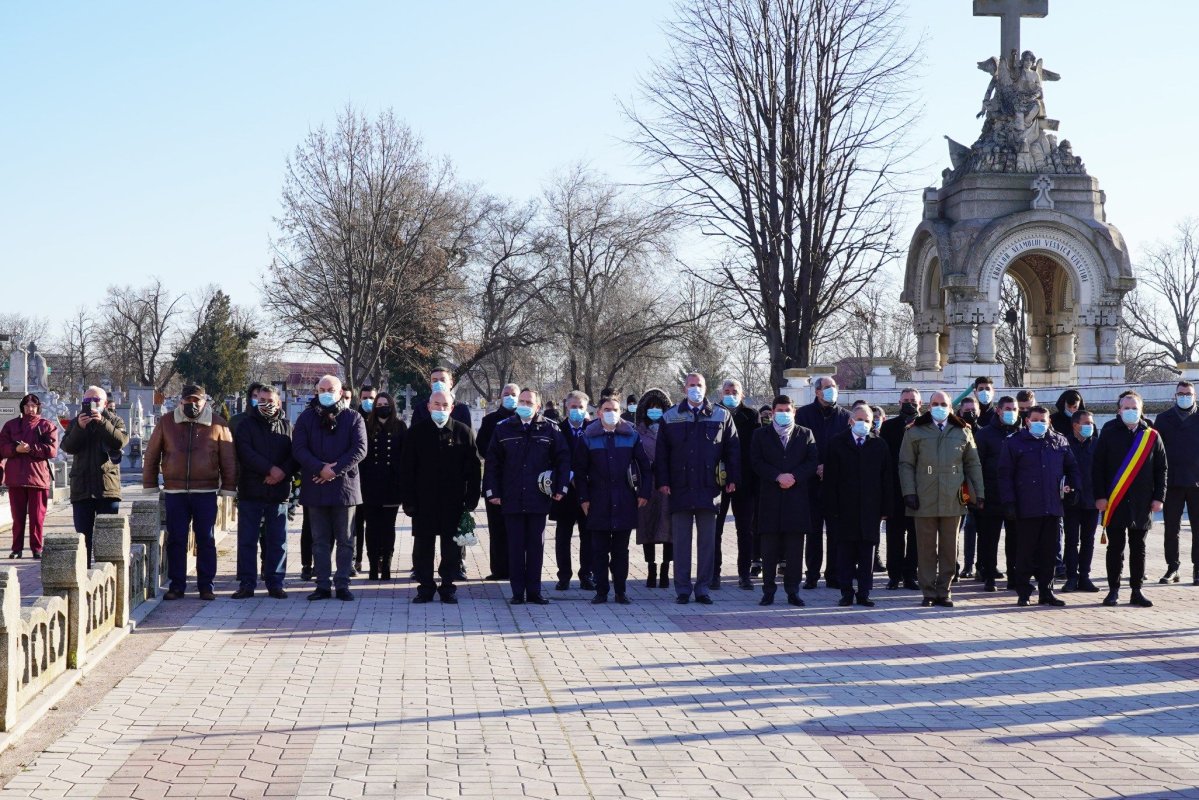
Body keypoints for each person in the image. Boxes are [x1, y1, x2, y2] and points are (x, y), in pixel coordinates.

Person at [142, 384, 236, 600]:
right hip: (175, 491)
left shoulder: (218, 423)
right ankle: (177, 585)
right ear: (181, 402)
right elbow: (152, 453)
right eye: (188, 401)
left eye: (197, 401)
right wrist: (149, 483)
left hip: (206, 490)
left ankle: (206, 585)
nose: (192, 405)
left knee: (206, 538)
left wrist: (229, 487)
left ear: (205, 402)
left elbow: (228, 458)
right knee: (177, 539)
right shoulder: (167, 422)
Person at [655, 372, 740, 605]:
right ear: (684, 389)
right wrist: (662, 481)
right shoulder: (670, 416)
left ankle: (703, 588)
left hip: (709, 489)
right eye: (691, 385)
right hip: (679, 488)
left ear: (706, 387)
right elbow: (661, 454)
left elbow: (732, 450)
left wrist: (733, 478)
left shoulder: (721, 415)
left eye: (699, 385)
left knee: (708, 542)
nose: (696, 389)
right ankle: (682, 589)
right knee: (681, 542)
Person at [484, 389, 571, 605]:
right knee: (514, 547)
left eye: (528, 402)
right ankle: (517, 592)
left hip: (538, 498)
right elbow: (492, 462)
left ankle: (534, 591)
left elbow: (562, 458)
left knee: (535, 548)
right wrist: (492, 492)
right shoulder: (503, 429)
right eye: (521, 401)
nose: (524, 404)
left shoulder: (550, 429)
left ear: (538, 406)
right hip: (511, 497)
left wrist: (561, 487)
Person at [898, 390, 984, 608]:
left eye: (943, 403)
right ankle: (928, 591)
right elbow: (906, 464)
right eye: (935, 403)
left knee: (949, 548)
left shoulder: (963, 430)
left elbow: (973, 464)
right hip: (923, 497)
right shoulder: (915, 430)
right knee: (926, 548)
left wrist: (979, 494)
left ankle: (944, 590)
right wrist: (909, 492)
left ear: (950, 407)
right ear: (929, 406)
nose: (939, 407)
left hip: (952, 498)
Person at [400, 389, 481, 603]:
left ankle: (448, 588)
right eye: (436, 405)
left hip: (453, 502)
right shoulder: (416, 432)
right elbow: (407, 468)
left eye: (445, 405)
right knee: (423, 548)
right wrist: (408, 500)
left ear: (452, 408)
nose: (440, 409)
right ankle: (425, 588)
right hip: (423, 501)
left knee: (451, 549)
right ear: (429, 406)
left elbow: (473, 470)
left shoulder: (463, 432)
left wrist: (472, 498)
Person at [292, 375, 367, 602]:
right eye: (322, 388)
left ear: (339, 391)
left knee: (346, 539)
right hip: (316, 487)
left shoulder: (353, 417)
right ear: (316, 391)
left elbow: (360, 449)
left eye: (330, 389)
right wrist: (319, 468)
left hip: (344, 488)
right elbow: (299, 448)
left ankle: (342, 583)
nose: (326, 392)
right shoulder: (306, 418)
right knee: (320, 540)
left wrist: (334, 471)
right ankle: (322, 584)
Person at [998, 405, 1079, 607]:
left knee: (1049, 553)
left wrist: (1074, 488)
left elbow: (1072, 468)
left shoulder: (1059, 441)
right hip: (1027, 507)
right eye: (1036, 420)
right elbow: (1004, 474)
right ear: (1027, 421)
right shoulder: (1015, 442)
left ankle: (1046, 591)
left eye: (1044, 420)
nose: (1040, 424)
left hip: (1052, 507)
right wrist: (1008, 502)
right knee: (1025, 552)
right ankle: (1024, 592)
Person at [573, 397, 652, 604]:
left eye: (615, 409)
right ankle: (601, 591)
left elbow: (645, 466)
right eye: (607, 409)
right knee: (598, 550)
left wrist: (644, 492)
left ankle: (620, 591)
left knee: (620, 550)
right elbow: (579, 472)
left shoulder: (631, 436)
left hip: (625, 501)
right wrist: (583, 498)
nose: (611, 413)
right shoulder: (587, 438)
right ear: (599, 413)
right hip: (597, 501)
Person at [1094, 391, 1166, 608]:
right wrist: (1100, 496)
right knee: (1115, 547)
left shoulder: (1152, 436)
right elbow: (1097, 468)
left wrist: (1158, 498)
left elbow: (1162, 469)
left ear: (1141, 410)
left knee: (1139, 548)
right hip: (1115, 500)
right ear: (1119, 410)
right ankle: (1113, 591)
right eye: (1126, 407)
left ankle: (1136, 590)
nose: (1131, 411)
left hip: (1142, 501)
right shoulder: (1108, 432)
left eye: (1135, 407)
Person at [823, 404, 892, 607]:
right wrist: (831, 508)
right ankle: (846, 592)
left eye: (867, 421)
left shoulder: (879, 444)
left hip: (871, 509)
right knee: (845, 552)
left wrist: (886, 509)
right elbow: (830, 480)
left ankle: (864, 592)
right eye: (859, 419)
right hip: (844, 509)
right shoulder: (837, 443)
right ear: (851, 420)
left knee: (866, 552)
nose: (863, 424)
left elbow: (887, 479)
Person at [751, 395, 817, 606]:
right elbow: (756, 461)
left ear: (794, 412)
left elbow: (812, 460)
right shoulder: (760, 435)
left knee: (795, 550)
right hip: (770, 499)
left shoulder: (805, 434)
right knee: (768, 549)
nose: (783, 413)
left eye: (787, 410)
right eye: (779, 410)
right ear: (772, 412)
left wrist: (794, 476)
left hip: (796, 500)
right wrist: (777, 476)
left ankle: (793, 591)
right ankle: (768, 590)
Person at [231, 384, 294, 599]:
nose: (266, 404)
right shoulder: (246, 425)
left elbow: (295, 455)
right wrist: (269, 469)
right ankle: (247, 583)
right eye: (262, 400)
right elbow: (245, 453)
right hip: (251, 491)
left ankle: (275, 582)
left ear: (278, 403)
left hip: (278, 492)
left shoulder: (287, 426)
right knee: (247, 540)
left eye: (271, 401)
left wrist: (281, 472)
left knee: (277, 541)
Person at [60, 385, 128, 566]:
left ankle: (109, 572)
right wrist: (80, 428)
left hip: (107, 488)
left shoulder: (115, 421)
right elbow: (67, 447)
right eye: (87, 401)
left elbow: (120, 441)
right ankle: (85, 572)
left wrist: (101, 423)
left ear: (105, 403)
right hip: (81, 488)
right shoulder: (76, 422)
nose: (91, 404)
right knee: (83, 537)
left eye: (95, 400)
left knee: (108, 537)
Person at [794, 376, 851, 589]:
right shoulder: (804, 415)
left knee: (836, 531)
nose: (831, 391)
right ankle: (812, 574)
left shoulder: (846, 416)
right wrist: (816, 466)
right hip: (811, 482)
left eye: (834, 387)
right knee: (813, 531)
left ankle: (833, 574)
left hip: (836, 483)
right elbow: (800, 445)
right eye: (827, 387)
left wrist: (830, 467)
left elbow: (847, 448)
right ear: (817, 391)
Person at [715, 378, 762, 590]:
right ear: (720, 394)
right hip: (717, 480)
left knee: (745, 530)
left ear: (742, 394)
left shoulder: (751, 415)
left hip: (745, 480)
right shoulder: (713, 414)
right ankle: (713, 573)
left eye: (734, 391)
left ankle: (744, 574)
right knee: (715, 530)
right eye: (727, 390)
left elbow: (755, 449)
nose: (730, 394)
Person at [1151, 380, 1199, 585]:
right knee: (1171, 528)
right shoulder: (1163, 419)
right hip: (1172, 482)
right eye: (1181, 393)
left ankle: (1198, 569)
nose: (1184, 397)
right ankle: (1173, 567)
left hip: (1197, 482)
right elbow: (1157, 453)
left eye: (1188, 393)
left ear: (1195, 395)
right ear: (1175, 395)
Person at [0, 394, 59, 559]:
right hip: (16, 479)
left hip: (38, 479)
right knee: (17, 518)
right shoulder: (11, 426)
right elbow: (2, 447)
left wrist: (31, 448)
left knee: (37, 518)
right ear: (22, 407)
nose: (30, 409)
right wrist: (15, 449)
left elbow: (52, 450)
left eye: (33, 406)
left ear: (38, 407)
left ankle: (37, 548)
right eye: (27, 406)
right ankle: (16, 549)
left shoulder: (47, 426)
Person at [358, 392, 406, 581]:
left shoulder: (400, 427)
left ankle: (386, 564)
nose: (382, 407)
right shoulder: (366, 425)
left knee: (388, 527)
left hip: (392, 486)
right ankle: (371, 566)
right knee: (371, 527)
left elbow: (405, 456)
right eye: (379, 404)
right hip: (370, 485)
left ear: (392, 405)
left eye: (385, 403)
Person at [974, 396, 1021, 592]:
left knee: (1015, 539)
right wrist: (979, 495)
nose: (1011, 412)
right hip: (991, 496)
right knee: (988, 539)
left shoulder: (1022, 434)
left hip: (1015, 497)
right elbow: (977, 466)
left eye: (1015, 409)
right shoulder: (985, 434)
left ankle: (1014, 576)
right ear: (999, 411)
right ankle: (989, 575)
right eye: (1008, 408)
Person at [551, 391, 595, 591]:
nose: (576, 410)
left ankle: (587, 574)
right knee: (563, 536)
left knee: (588, 535)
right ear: (566, 408)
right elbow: (552, 458)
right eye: (573, 407)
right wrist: (567, 476)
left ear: (586, 409)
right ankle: (564, 576)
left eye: (580, 407)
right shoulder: (557, 430)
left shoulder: (593, 430)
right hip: (564, 492)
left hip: (587, 490)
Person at [476, 383, 520, 581]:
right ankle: (499, 569)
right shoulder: (490, 420)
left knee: (517, 528)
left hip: (519, 482)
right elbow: (483, 447)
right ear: (500, 396)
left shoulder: (524, 419)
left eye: (514, 394)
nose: (510, 397)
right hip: (496, 479)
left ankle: (517, 568)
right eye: (506, 394)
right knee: (497, 527)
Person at [879, 388, 921, 590]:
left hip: (920, 489)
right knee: (894, 535)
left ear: (920, 403)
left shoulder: (926, 425)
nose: (909, 403)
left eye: (913, 400)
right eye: (906, 400)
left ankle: (910, 574)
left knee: (915, 536)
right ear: (899, 402)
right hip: (895, 490)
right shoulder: (888, 427)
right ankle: (894, 575)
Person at [634, 389, 673, 588]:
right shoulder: (637, 431)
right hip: (646, 485)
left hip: (666, 484)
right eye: (651, 408)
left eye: (659, 408)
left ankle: (666, 569)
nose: (655, 411)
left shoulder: (671, 429)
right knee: (647, 526)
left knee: (668, 528)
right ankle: (651, 568)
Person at [1062, 409, 1101, 593]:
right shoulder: (1064, 443)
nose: (1090, 427)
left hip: (1092, 500)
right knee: (1071, 540)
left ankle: (1084, 576)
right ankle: (1071, 576)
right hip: (1071, 500)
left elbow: (1105, 471)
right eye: (1086, 423)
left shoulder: (1097, 444)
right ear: (1075, 425)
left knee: (1088, 540)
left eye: (1091, 423)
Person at [351, 384, 379, 575]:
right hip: (355, 479)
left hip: (374, 481)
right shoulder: (354, 418)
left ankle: (373, 560)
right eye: (365, 397)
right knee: (355, 525)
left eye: (372, 397)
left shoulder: (381, 419)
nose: (368, 401)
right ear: (360, 398)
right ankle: (355, 560)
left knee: (373, 525)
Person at [956, 395, 981, 580]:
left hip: (976, 487)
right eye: (967, 411)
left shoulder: (983, 432)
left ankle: (976, 565)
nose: (971, 414)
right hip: (958, 486)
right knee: (956, 530)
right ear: (959, 412)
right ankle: (957, 566)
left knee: (976, 527)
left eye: (973, 410)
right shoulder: (955, 431)